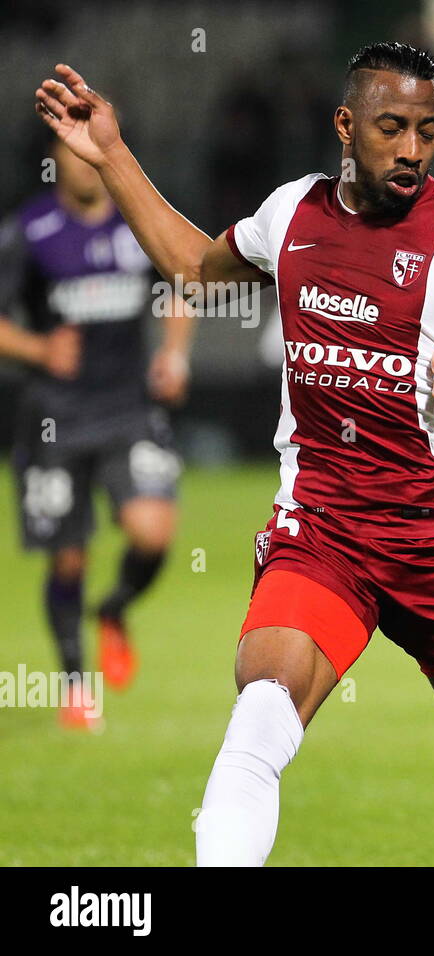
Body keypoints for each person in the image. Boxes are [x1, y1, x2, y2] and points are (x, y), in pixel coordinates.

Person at [35, 41, 434, 864]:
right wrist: (109, 150)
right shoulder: (292, 214)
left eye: (428, 130)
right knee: (261, 711)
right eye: (392, 127)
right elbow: (190, 267)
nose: (412, 150)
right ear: (345, 125)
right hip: (324, 527)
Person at [0, 131, 191, 729]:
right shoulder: (29, 232)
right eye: (72, 156)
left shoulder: (138, 223)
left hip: (128, 409)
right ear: (54, 160)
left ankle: (113, 608)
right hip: (54, 417)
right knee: (68, 560)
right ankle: (77, 686)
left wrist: (176, 354)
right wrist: (37, 347)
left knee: (153, 532)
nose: (85, 166)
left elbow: (181, 281)